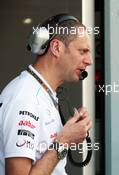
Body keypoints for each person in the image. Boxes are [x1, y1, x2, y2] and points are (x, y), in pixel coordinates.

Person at [0, 14, 93, 175]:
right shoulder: (25, 98)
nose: (89, 60)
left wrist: (72, 129)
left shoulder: (40, 92)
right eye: (83, 51)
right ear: (56, 48)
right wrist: (63, 142)